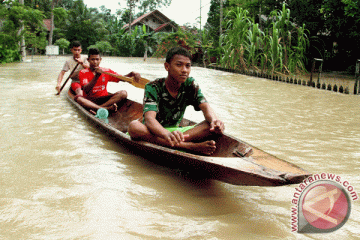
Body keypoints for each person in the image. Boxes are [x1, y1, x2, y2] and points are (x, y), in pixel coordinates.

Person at [128, 47, 225, 156]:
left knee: (211, 126)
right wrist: (167, 134)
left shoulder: (190, 84)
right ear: (167, 66)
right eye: (179, 65)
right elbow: (150, 120)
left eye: (188, 66)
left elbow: (206, 107)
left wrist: (215, 121)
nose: (184, 70)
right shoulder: (153, 87)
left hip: (178, 134)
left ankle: (174, 144)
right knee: (134, 127)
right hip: (154, 133)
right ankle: (189, 147)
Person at [75, 48, 141, 112]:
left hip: (104, 99)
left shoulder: (106, 71)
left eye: (97, 59)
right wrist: (97, 76)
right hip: (90, 99)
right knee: (78, 98)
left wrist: (132, 74)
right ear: (88, 60)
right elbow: (86, 90)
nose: (95, 62)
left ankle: (100, 108)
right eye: (92, 59)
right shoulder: (83, 72)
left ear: (100, 60)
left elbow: (121, 78)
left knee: (123, 93)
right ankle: (105, 109)